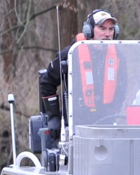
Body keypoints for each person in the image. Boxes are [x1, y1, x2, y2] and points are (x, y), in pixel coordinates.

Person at [39, 9, 122, 143]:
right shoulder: (71, 53)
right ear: (89, 31)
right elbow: (47, 82)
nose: (107, 34)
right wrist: (53, 117)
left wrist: (113, 113)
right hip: (75, 126)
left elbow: (122, 89)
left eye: (111, 29)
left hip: (107, 125)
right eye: (102, 28)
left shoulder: (118, 57)